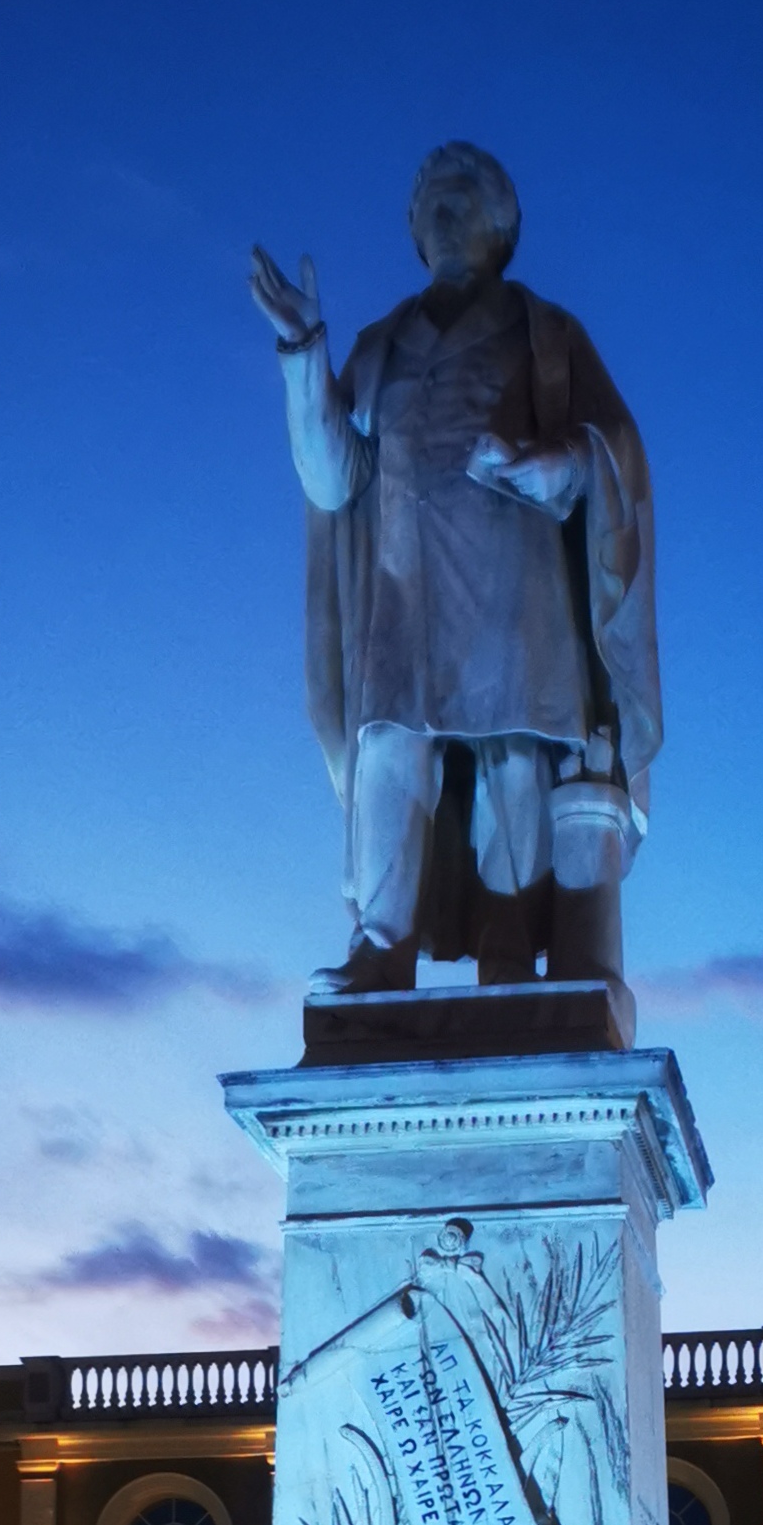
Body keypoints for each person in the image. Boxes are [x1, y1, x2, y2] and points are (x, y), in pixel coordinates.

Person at [250, 142, 660, 993]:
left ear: (503, 226)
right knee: (389, 747)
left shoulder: (546, 333)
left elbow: (615, 446)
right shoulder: (381, 345)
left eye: (464, 196)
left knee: (517, 753)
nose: (444, 211)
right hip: (403, 588)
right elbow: (334, 479)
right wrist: (303, 353)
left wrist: (561, 466)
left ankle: (510, 952)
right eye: (431, 200)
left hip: (517, 582)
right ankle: (380, 949)